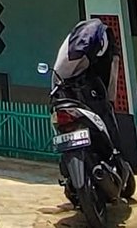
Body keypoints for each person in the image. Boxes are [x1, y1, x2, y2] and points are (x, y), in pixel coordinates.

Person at [51, 18, 124, 156]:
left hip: (70, 92)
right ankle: (115, 153)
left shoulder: (82, 42)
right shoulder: (90, 43)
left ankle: (114, 154)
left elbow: (110, 79)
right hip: (74, 96)